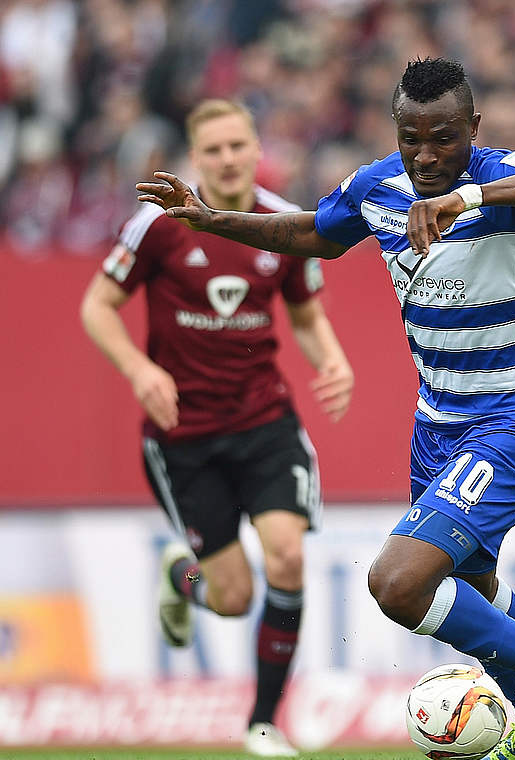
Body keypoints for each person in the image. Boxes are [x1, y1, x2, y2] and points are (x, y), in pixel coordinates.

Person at [133, 57, 515, 760]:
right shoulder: (377, 186)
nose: (426, 156)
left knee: (397, 581)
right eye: (411, 138)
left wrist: (466, 200)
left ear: (473, 129)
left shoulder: (503, 178)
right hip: (437, 426)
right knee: (470, 591)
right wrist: (210, 220)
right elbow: (313, 235)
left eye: (444, 137)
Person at [79, 99, 354, 758]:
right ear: (194, 158)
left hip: (264, 421)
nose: (228, 159)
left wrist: (333, 360)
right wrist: (139, 370)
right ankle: (184, 580)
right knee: (230, 597)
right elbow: (98, 306)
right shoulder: (158, 225)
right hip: (184, 437)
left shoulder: (283, 223)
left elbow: (306, 315)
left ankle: (263, 722)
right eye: (214, 150)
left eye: (238, 146)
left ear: (256, 147)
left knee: (287, 555)